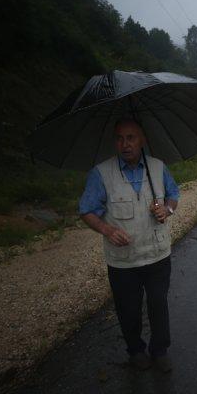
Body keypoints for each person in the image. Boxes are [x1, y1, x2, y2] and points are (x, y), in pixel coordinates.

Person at [78, 117, 180, 372]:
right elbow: (87, 210)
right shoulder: (101, 173)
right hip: (123, 260)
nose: (125, 144)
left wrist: (166, 210)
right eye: (120, 138)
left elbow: (173, 195)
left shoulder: (157, 167)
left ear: (142, 140)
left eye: (131, 137)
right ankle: (135, 350)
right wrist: (106, 229)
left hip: (157, 254)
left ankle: (160, 350)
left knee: (158, 304)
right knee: (128, 309)